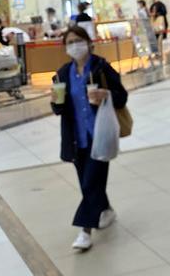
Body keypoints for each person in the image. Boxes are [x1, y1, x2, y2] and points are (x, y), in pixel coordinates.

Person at [51, 26, 128, 251]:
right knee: (89, 185)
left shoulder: (101, 67)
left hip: (100, 137)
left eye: (78, 40)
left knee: (90, 182)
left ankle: (85, 231)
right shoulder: (63, 73)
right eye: (70, 42)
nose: (75, 45)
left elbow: (122, 96)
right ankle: (106, 210)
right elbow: (58, 109)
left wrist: (107, 95)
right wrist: (56, 100)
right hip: (77, 140)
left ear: (87, 42)